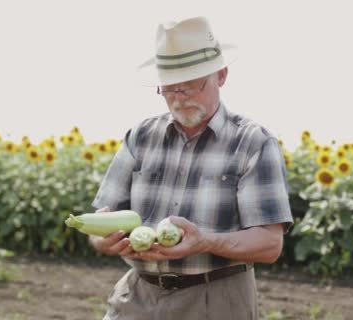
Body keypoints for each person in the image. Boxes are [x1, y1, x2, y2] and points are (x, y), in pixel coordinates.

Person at [89, 16, 293, 320]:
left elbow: (269, 244)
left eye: (192, 84)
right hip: (138, 298)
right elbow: (101, 221)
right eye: (170, 88)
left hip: (217, 301)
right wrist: (103, 240)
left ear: (221, 75)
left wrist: (205, 242)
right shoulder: (141, 137)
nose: (179, 97)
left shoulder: (252, 143)